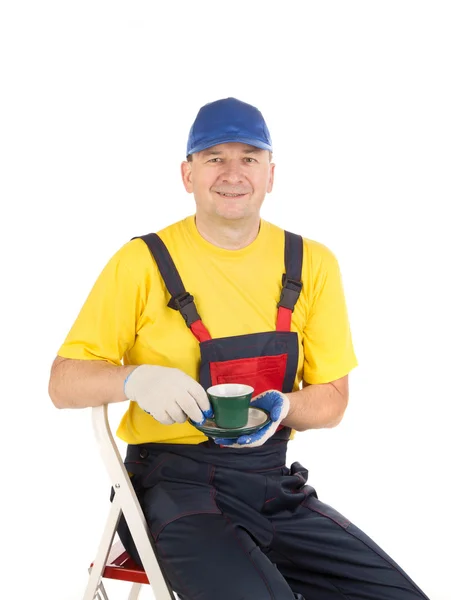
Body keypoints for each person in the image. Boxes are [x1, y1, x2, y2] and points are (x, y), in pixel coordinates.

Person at [49, 97, 429, 600]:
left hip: (272, 488)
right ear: (187, 174)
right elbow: (62, 382)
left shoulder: (311, 264)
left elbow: (334, 398)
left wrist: (285, 407)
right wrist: (133, 379)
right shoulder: (141, 262)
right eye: (214, 158)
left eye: (249, 158)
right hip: (170, 491)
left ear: (271, 175)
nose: (233, 173)